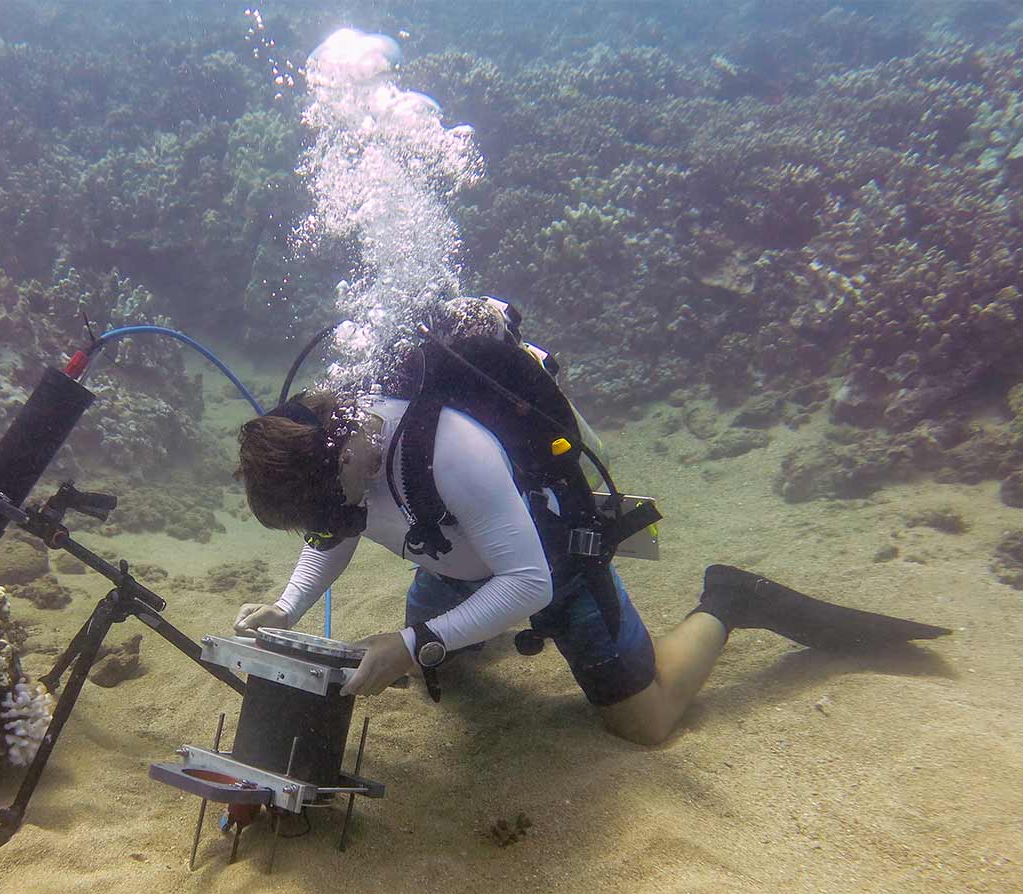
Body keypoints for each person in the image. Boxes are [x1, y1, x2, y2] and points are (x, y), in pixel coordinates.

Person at [233, 297, 950, 745]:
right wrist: (289, 603)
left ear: (344, 461)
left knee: (646, 723)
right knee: (435, 673)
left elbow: (528, 582)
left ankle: (730, 599)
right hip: (450, 567)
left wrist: (415, 638)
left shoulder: (452, 451)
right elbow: (327, 533)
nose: (332, 526)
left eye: (333, 510)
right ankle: (442, 635)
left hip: (551, 571)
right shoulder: (331, 453)